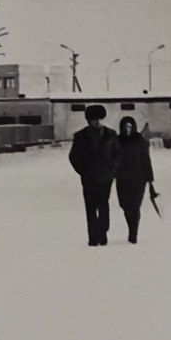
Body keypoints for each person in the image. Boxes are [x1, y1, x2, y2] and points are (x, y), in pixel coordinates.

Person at [68, 104, 120, 246]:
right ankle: (93, 237)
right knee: (90, 207)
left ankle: (103, 233)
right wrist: (83, 170)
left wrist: (112, 167)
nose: (97, 122)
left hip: (106, 177)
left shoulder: (111, 134)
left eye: (100, 119)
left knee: (103, 205)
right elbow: (74, 156)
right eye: (94, 119)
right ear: (88, 121)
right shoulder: (80, 136)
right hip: (89, 178)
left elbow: (117, 153)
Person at [115, 116, 156, 244]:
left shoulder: (140, 141)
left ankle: (133, 232)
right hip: (122, 179)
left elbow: (146, 161)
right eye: (125, 127)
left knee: (135, 206)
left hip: (138, 179)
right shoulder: (117, 141)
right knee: (125, 205)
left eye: (130, 126)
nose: (127, 129)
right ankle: (131, 227)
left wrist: (150, 180)